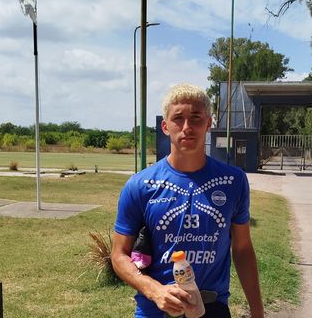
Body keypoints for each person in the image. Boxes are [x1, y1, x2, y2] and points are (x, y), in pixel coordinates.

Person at [112, 83, 264, 318]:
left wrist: (257, 312)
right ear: (165, 126)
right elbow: (119, 254)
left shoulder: (233, 181)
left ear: (208, 123)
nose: (187, 127)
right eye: (178, 119)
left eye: (195, 118)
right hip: (156, 310)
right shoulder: (140, 186)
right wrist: (154, 290)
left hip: (212, 308)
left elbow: (242, 249)